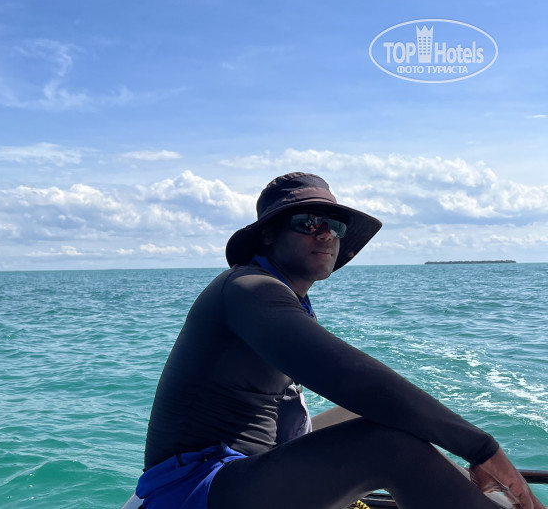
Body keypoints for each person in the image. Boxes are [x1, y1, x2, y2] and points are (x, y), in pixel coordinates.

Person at [135, 172, 543, 509]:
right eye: (308, 223)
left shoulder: (282, 295)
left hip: (247, 469)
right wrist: (482, 449)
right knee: (386, 443)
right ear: (268, 235)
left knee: (378, 416)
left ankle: (481, 498)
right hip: (196, 486)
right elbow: (350, 377)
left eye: (335, 226)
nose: (327, 235)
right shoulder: (248, 289)